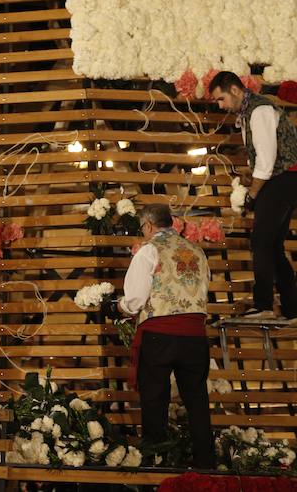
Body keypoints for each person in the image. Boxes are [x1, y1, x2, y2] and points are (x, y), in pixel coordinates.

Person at [102, 203, 215, 469]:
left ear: (149, 226)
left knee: (155, 402)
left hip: (159, 336)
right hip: (195, 337)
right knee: (197, 403)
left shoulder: (149, 251)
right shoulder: (197, 251)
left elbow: (135, 299)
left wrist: (115, 306)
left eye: (142, 227)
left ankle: (157, 467)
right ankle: (207, 466)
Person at [209, 71, 297, 320]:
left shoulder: (259, 111)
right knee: (273, 246)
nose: (221, 105)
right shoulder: (248, 113)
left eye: (221, 99)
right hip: (283, 179)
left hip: (283, 179)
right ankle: (292, 308)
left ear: (235, 90)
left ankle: (264, 305)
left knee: (260, 242)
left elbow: (267, 161)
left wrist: (252, 194)